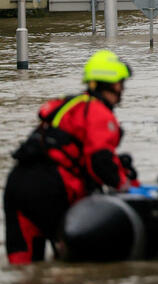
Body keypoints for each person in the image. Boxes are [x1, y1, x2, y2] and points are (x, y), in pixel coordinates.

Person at [4, 50, 137, 264]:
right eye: (121, 83)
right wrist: (127, 188)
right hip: (51, 189)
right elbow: (100, 162)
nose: (123, 89)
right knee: (74, 263)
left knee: (24, 266)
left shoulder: (69, 105)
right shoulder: (99, 113)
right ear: (111, 84)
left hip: (17, 183)